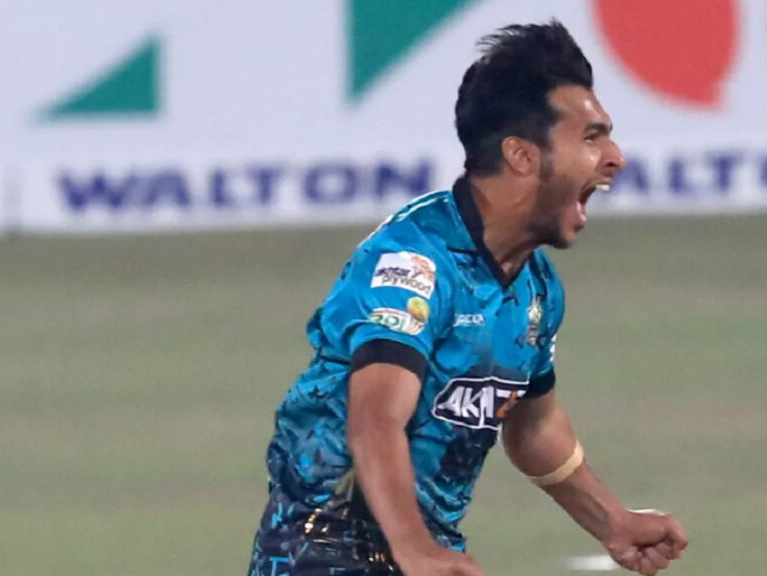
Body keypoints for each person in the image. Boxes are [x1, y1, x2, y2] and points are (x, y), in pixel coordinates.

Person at [247, 20, 688, 576]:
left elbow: (533, 427)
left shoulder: (536, 286)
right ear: (522, 155)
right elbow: (375, 419)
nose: (615, 156)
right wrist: (413, 549)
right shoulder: (413, 264)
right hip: (320, 554)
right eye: (591, 137)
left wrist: (613, 522)